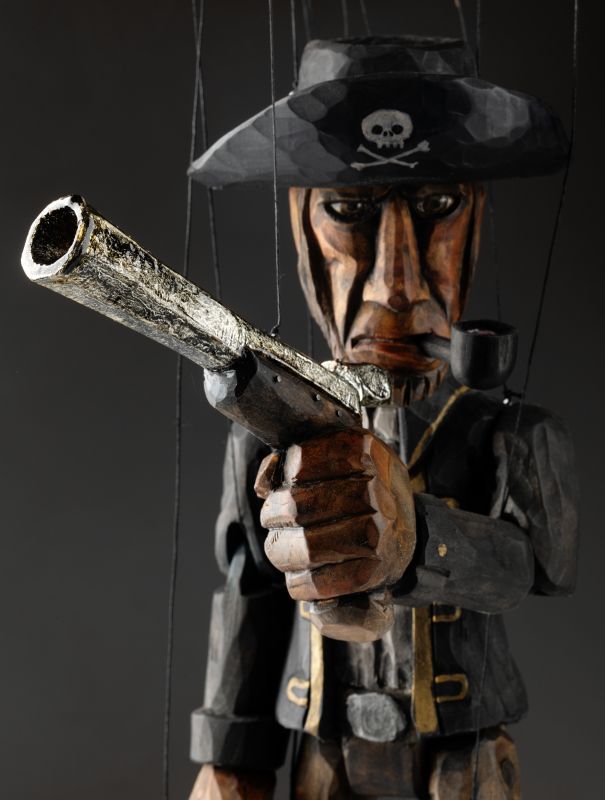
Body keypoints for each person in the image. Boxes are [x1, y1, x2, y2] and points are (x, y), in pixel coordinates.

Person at [186, 37, 578, 799]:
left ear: (475, 222)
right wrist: (229, 758)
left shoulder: (510, 431)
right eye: (348, 213)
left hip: (459, 761)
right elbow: (251, 590)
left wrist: (416, 538)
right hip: (323, 752)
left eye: (435, 210)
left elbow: (537, 566)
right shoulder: (262, 434)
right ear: (302, 230)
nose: (394, 286)